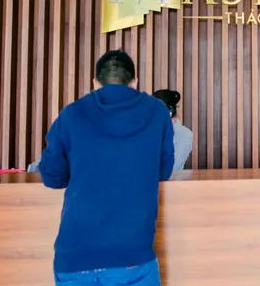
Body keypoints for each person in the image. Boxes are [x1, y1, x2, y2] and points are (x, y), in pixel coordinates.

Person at [39, 50, 174, 286]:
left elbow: (51, 176)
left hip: (75, 257)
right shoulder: (158, 112)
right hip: (133, 257)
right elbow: (163, 170)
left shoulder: (72, 113)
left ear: (95, 82)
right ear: (134, 82)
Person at [152, 89, 193, 172]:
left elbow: (173, 166)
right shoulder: (152, 130)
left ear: (170, 112)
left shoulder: (185, 134)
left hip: (172, 179)